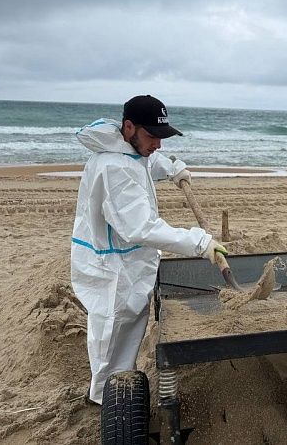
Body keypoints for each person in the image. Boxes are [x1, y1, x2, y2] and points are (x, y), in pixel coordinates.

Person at [70, 95, 228, 405]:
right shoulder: (115, 169)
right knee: (111, 333)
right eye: (152, 136)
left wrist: (172, 168)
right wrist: (199, 242)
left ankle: (115, 391)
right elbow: (142, 227)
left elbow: (146, 161)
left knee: (126, 329)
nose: (157, 143)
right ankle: (105, 400)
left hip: (127, 258)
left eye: (161, 137)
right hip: (112, 263)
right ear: (129, 127)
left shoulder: (128, 148)